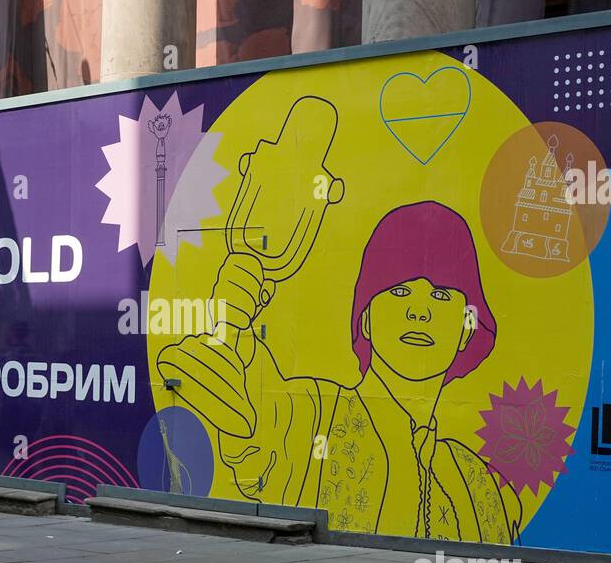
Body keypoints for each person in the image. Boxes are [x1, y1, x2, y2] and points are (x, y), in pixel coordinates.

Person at [160, 200, 522, 543]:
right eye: (398, 291)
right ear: (365, 319)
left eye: (441, 295)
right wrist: (234, 335)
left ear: (466, 328)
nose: (419, 312)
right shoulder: (315, 416)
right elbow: (260, 421)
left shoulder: (477, 483)